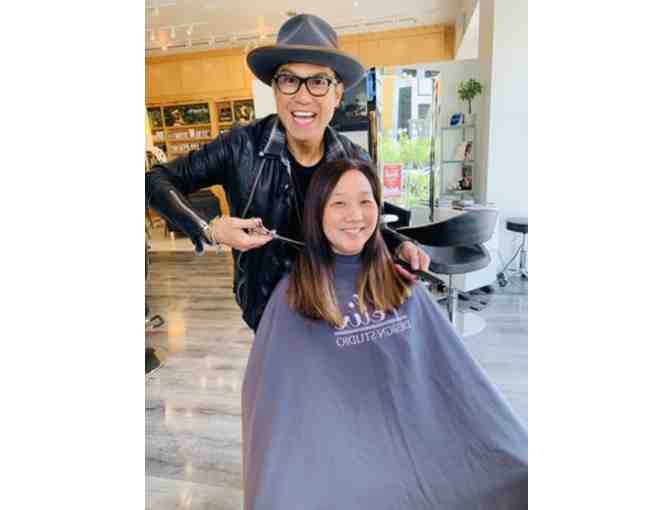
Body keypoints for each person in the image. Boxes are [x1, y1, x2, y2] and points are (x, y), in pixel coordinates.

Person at [243, 159, 528, 509]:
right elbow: (277, 408)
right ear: (317, 212)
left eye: (366, 201)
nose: (355, 215)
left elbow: (455, 378)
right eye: (339, 203)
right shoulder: (294, 295)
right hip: (343, 453)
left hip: (420, 440)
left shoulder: (399, 281)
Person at [145, 13, 429, 331]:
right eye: (289, 80)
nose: (302, 96)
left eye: (318, 82)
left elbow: (363, 223)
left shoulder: (355, 159)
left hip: (339, 305)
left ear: (337, 94)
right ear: (276, 89)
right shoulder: (240, 146)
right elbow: (153, 180)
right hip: (268, 311)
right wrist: (208, 228)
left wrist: (397, 244)